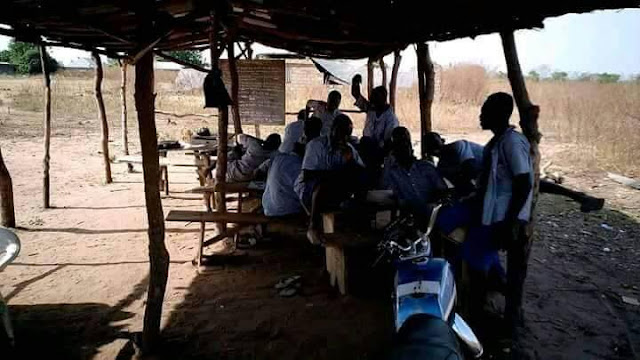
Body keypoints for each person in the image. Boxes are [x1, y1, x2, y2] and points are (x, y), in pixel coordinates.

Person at [426, 131, 604, 212]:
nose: (437, 148)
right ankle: (580, 197)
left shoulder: (458, 146)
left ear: (442, 140)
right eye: (432, 147)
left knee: (534, 184)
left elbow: (470, 169)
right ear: (430, 152)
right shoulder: (443, 166)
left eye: (436, 142)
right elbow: (462, 183)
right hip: (491, 179)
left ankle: (581, 197)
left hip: (501, 169)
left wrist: (465, 187)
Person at [477, 92, 533, 331]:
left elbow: (524, 183)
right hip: (497, 218)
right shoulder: (497, 142)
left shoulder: (511, 142)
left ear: (500, 114)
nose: (481, 114)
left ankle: (512, 323)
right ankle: (504, 316)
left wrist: (511, 221)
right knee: (491, 264)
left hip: (511, 220)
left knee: (515, 272)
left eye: (486, 110)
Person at [295, 114, 365, 244]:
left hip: (332, 189)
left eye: (347, 135)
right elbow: (308, 175)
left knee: (357, 180)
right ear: (332, 129)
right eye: (341, 132)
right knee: (323, 184)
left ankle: (359, 226)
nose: (343, 138)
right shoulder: (316, 145)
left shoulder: (347, 148)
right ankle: (313, 227)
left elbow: (361, 172)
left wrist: (350, 161)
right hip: (308, 191)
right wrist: (336, 175)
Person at [263, 117, 322, 217]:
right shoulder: (295, 164)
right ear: (302, 142)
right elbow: (308, 195)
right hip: (285, 214)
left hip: (270, 208)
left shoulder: (279, 158)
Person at [382, 127, 447, 219]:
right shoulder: (394, 173)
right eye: (398, 150)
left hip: (435, 213)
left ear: (412, 151)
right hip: (413, 216)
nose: (402, 152)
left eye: (405, 148)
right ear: (395, 154)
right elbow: (395, 196)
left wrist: (433, 203)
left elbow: (443, 190)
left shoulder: (426, 167)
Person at [351, 74, 399, 166]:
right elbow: (356, 95)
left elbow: (387, 143)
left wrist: (373, 150)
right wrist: (355, 82)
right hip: (365, 147)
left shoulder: (391, 119)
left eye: (374, 99)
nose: (371, 101)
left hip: (379, 154)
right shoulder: (372, 109)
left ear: (383, 99)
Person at [206, 133, 281, 183]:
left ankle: (209, 169)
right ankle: (209, 170)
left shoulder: (255, 144)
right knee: (234, 152)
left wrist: (258, 140)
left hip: (232, 172)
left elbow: (239, 136)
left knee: (232, 152)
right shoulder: (275, 154)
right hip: (249, 177)